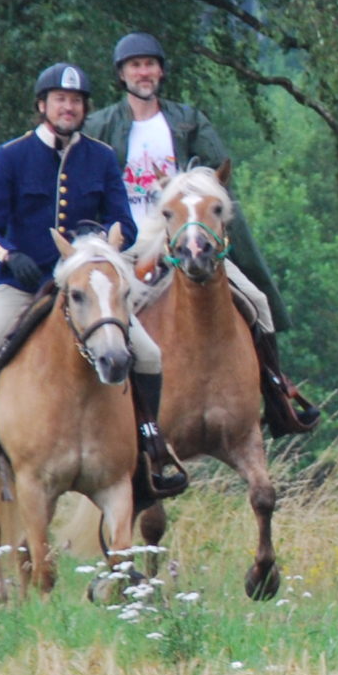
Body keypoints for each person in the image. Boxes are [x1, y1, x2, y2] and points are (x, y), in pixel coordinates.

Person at [0, 63, 188, 503]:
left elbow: (123, 220)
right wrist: (10, 256)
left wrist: (101, 248)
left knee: (148, 354)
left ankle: (150, 442)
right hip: (24, 283)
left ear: (85, 108)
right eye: (61, 100)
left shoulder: (101, 156)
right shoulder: (12, 156)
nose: (69, 107)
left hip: (87, 286)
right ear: (42, 106)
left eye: (77, 101)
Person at [84, 30, 312, 432]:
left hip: (189, 243)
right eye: (135, 66)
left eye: (150, 64)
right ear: (121, 75)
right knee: (103, 317)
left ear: (161, 72)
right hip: (127, 250)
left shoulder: (188, 120)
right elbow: (88, 186)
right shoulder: (101, 125)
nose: (144, 72)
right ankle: (106, 414)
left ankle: (277, 389)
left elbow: (220, 178)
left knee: (256, 300)